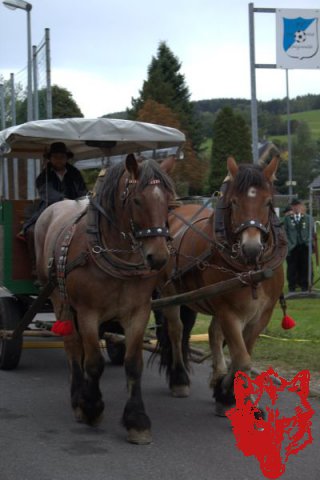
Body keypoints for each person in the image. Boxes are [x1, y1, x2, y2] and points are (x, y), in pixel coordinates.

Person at [19, 141, 87, 274]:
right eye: (55, 157)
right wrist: (63, 200)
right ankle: (36, 266)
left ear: (66, 158)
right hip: (49, 207)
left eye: (62, 157)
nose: (58, 160)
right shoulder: (43, 176)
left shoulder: (75, 173)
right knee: (31, 231)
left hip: (75, 207)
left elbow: (82, 190)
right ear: (50, 159)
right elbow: (47, 193)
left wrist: (82, 200)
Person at [283, 198, 314, 292]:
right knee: (292, 268)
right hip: (292, 247)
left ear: (301, 206)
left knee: (305, 267)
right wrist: (288, 244)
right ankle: (292, 287)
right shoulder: (287, 219)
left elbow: (311, 232)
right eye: (294, 206)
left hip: (304, 246)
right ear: (292, 207)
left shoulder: (308, 218)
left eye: (298, 206)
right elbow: (285, 232)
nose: (296, 208)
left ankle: (304, 287)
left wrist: (309, 243)